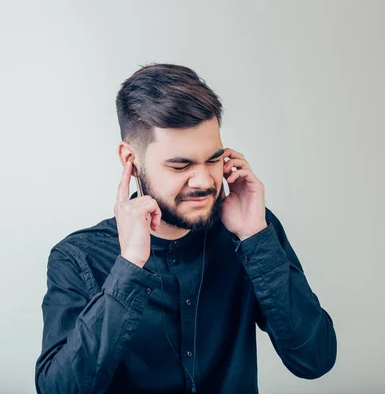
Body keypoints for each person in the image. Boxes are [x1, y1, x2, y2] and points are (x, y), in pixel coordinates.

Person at [35, 63, 337, 394]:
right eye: (180, 165)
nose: (205, 181)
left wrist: (256, 239)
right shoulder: (78, 257)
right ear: (130, 161)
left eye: (213, 160)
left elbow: (314, 359)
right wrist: (130, 266)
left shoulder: (251, 230)